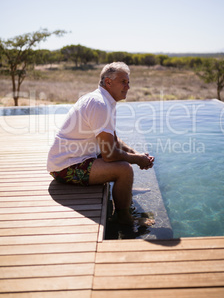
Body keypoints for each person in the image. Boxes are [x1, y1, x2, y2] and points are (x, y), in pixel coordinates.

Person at [47, 62, 155, 225]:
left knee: (125, 159)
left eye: (128, 82)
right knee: (124, 170)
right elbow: (110, 155)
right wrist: (138, 160)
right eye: (123, 82)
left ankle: (125, 190)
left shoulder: (104, 101)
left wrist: (135, 153)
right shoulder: (99, 104)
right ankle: (124, 218)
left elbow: (114, 140)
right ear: (108, 82)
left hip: (76, 157)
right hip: (64, 167)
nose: (128, 87)